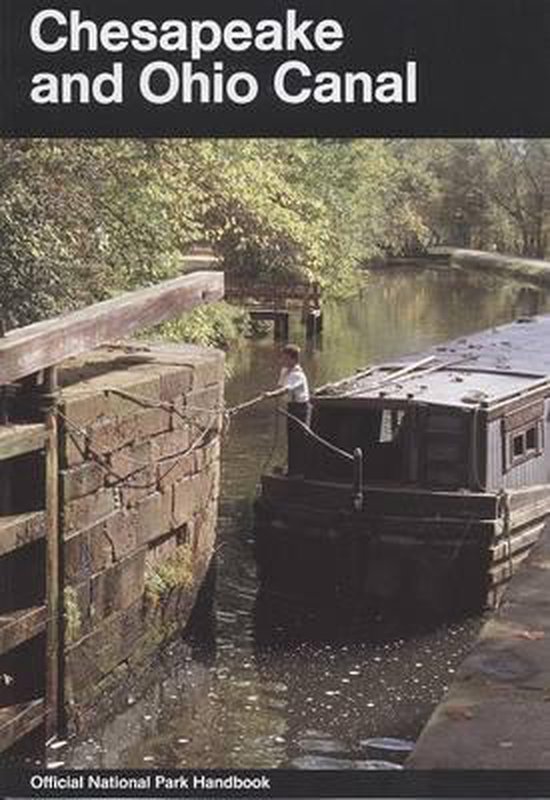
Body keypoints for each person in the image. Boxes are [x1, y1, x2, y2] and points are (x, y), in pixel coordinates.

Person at [264, 344, 311, 476]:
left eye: (285, 358)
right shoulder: (284, 371)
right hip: (291, 407)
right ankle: (292, 469)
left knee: (299, 440)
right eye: (282, 357)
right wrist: (275, 396)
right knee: (291, 439)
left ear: (293, 359)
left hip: (300, 409)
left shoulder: (298, 375)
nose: (282, 360)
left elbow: (286, 389)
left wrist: (271, 395)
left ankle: (299, 471)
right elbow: (280, 386)